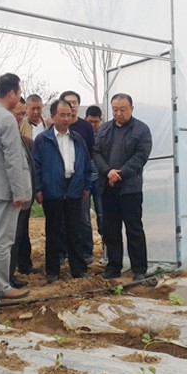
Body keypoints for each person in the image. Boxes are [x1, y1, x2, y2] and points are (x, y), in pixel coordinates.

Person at [93, 93, 152, 282]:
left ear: (131, 109)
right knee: (111, 229)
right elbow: (96, 153)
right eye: (115, 110)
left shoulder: (141, 130)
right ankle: (114, 266)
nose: (118, 113)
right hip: (108, 187)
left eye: (122, 110)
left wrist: (119, 174)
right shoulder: (105, 129)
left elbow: (141, 156)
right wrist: (107, 172)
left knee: (134, 229)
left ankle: (139, 268)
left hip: (130, 189)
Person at [33, 99, 91, 284]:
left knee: (75, 231)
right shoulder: (43, 140)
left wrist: (86, 185)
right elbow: (36, 166)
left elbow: (86, 164)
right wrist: (38, 188)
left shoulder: (77, 139)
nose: (66, 119)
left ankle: (78, 269)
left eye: (69, 115)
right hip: (52, 190)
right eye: (62, 115)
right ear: (52, 116)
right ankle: (52, 271)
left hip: (74, 188)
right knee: (53, 231)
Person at [0, 73, 32, 299]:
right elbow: (13, 159)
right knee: (3, 241)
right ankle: (1, 287)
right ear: (11, 93)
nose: (20, 97)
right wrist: (19, 193)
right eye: (19, 92)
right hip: (5, 190)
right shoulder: (5, 118)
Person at [59, 90, 95, 265]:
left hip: (80, 178)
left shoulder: (85, 127)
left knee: (83, 217)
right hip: (62, 181)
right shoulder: (57, 128)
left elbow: (90, 153)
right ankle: (63, 252)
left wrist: (85, 180)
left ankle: (87, 251)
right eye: (68, 103)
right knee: (62, 219)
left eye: (74, 102)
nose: (72, 106)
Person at [8, 98, 38, 287]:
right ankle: (7, 278)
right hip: (11, 199)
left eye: (22, 115)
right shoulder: (4, 140)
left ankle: (15, 270)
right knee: (9, 239)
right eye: (18, 115)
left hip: (24, 198)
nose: (21, 119)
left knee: (19, 236)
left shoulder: (24, 141)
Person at [85, 105, 104, 252]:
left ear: (100, 121)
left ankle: (106, 247)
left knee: (102, 213)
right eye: (89, 121)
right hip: (84, 179)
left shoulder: (104, 136)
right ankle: (87, 250)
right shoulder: (81, 134)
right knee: (84, 217)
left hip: (100, 179)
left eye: (95, 122)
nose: (92, 125)